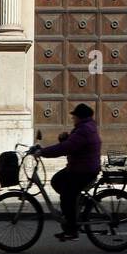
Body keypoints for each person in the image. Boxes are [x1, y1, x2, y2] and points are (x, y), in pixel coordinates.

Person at [33, 103, 102, 241]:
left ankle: (71, 230)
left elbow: (66, 148)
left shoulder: (84, 130)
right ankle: (75, 205)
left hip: (84, 170)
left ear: (80, 117)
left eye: (74, 116)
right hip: (81, 167)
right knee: (57, 181)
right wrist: (65, 139)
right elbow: (74, 145)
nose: (73, 119)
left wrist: (42, 152)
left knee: (66, 196)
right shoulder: (85, 128)